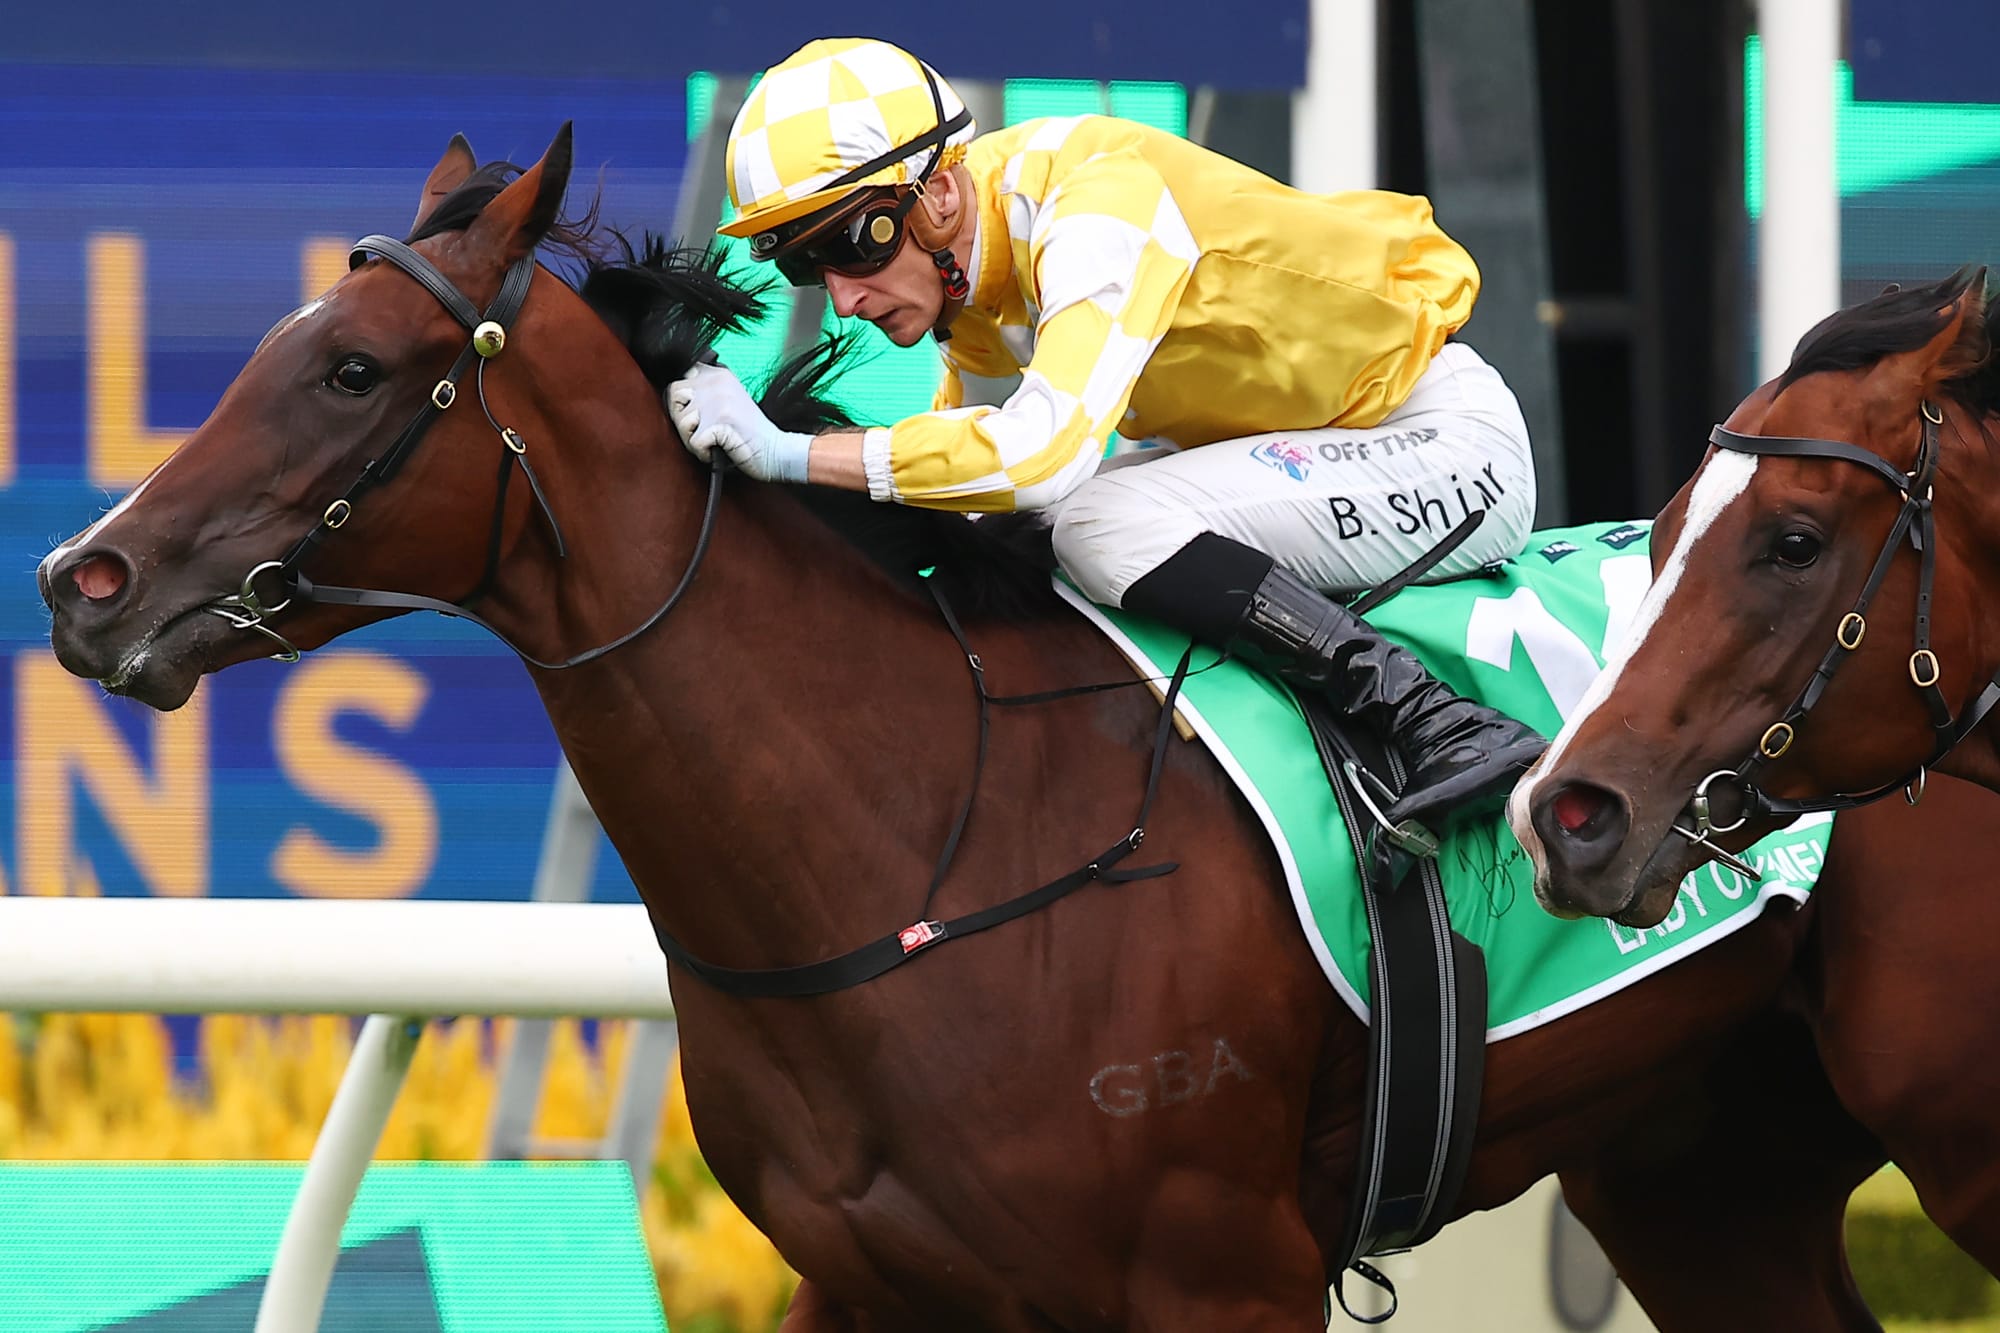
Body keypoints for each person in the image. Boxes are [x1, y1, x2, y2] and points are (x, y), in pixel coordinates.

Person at [667, 36, 1544, 844]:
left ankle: (1435, 717)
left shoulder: (1099, 204)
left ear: (937, 194)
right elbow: (958, 494)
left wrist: (787, 452)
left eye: (851, 245)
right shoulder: (967, 277)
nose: (843, 296)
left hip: (1442, 444)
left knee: (1093, 520)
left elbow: (1034, 461)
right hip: (1314, 446)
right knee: (1048, 534)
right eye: (800, 265)